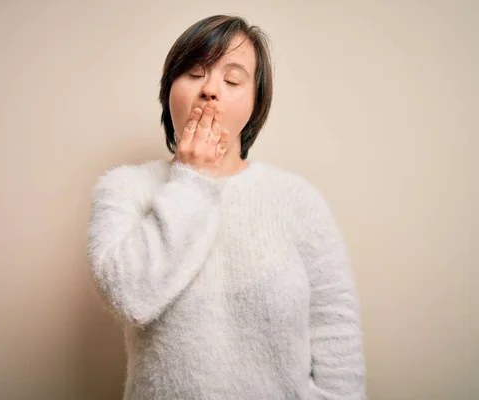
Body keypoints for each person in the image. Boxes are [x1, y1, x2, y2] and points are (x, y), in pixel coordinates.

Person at [86, 14, 366, 400]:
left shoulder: (297, 200)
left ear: (255, 102)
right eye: (195, 73)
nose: (211, 90)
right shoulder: (123, 188)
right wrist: (192, 180)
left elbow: (337, 340)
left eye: (232, 79)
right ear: (169, 91)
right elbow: (130, 297)